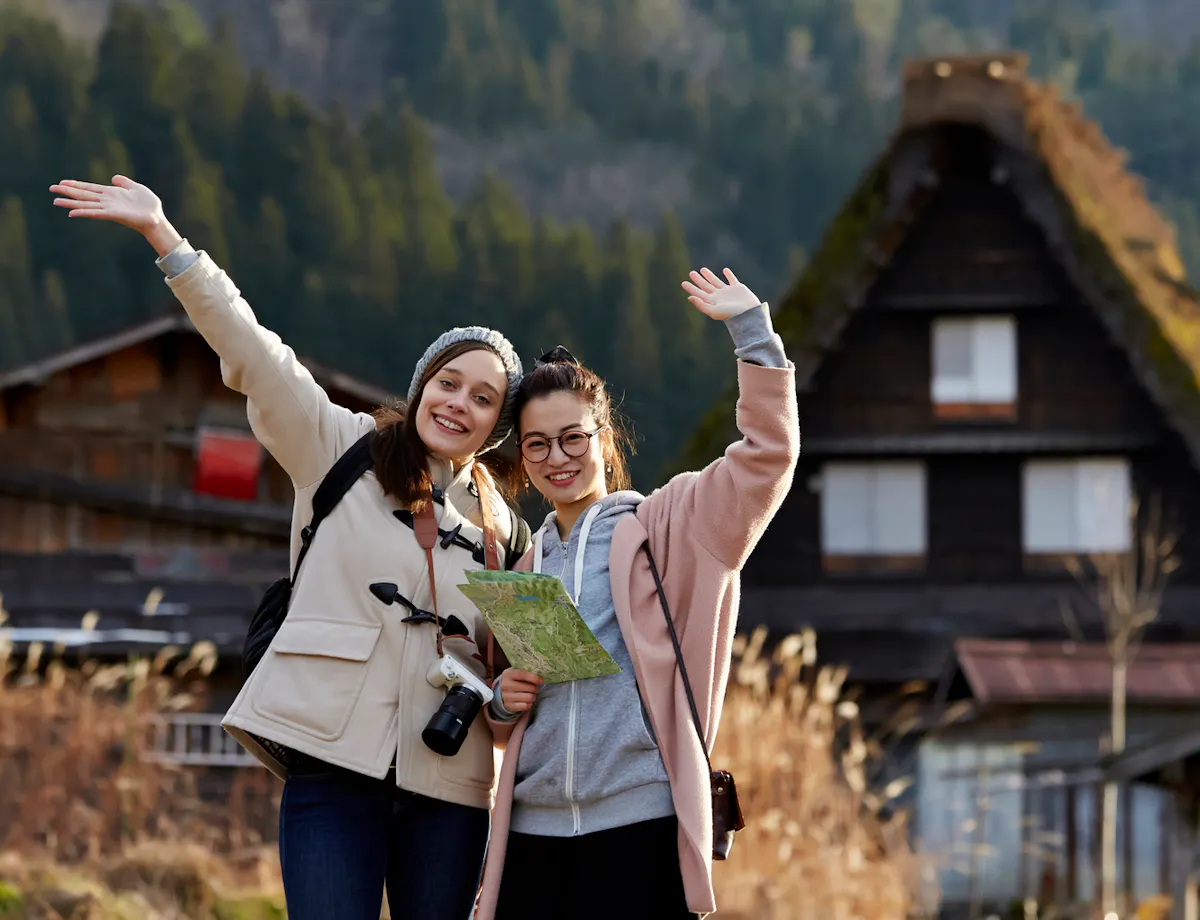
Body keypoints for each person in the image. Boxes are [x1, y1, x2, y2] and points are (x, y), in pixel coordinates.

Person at [49, 176, 531, 920]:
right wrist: (167, 242)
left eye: (481, 398)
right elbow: (256, 354)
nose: (456, 404)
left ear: (496, 425)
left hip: (453, 788)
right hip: (332, 765)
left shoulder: (505, 532)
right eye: (448, 381)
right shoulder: (339, 446)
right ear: (422, 384)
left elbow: (519, 675)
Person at [477, 267, 800, 920]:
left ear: (604, 436)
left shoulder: (670, 525)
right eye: (537, 444)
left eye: (573, 437)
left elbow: (767, 455)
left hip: (639, 823)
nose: (556, 457)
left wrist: (751, 333)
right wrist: (503, 707)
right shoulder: (523, 564)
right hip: (531, 834)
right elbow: (505, 713)